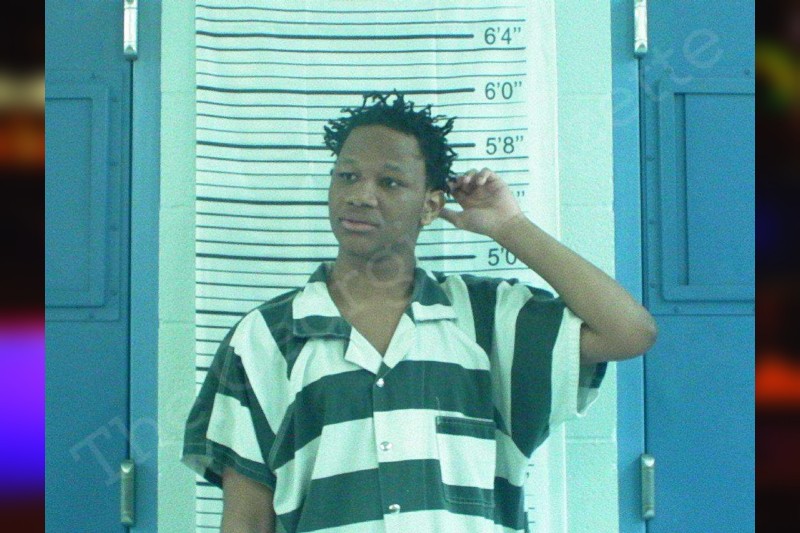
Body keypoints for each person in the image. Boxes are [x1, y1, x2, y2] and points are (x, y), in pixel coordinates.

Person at [182, 93, 657, 533]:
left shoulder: (486, 318)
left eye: (389, 182)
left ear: (430, 207)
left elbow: (629, 331)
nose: (360, 195)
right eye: (347, 176)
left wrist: (510, 226)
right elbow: (246, 519)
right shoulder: (265, 336)